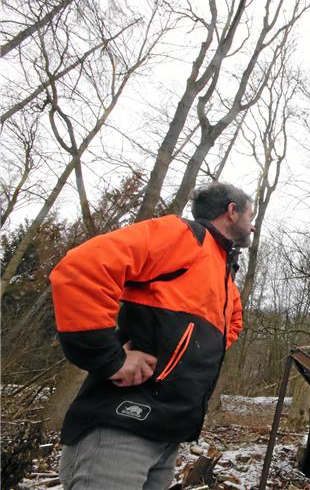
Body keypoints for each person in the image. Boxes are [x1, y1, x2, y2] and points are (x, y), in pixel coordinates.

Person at [51, 182, 255, 490]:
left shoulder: (223, 271)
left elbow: (232, 325)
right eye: (250, 216)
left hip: (168, 435)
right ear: (232, 211)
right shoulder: (182, 236)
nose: (252, 225)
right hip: (121, 427)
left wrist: (184, 359)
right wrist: (109, 357)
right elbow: (82, 268)